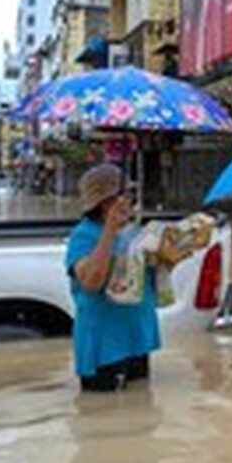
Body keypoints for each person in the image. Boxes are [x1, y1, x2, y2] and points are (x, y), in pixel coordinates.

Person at [65, 163, 160, 392]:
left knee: (140, 412)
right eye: (124, 195)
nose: (130, 200)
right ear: (105, 202)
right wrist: (109, 230)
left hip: (136, 337)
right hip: (105, 344)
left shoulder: (134, 231)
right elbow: (90, 282)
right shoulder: (83, 236)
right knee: (105, 418)